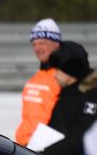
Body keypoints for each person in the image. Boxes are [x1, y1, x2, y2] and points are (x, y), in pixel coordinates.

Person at [39, 41, 97, 155]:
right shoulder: (68, 95)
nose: (54, 75)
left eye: (58, 70)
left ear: (70, 72)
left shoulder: (94, 98)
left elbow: (81, 136)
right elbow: (54, 129)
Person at [14, 18, 63, 146]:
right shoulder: (35, 78)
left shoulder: (63, 78)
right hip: (25, 147)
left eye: (42, 43)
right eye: (34, 44)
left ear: (56, 43)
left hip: (46, 149)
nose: (37, 48)